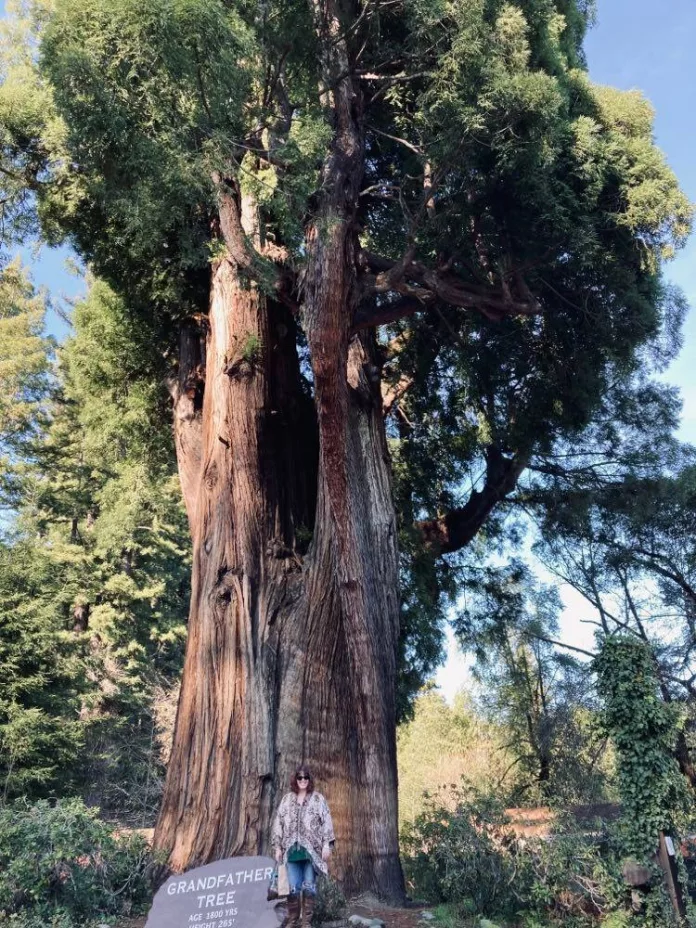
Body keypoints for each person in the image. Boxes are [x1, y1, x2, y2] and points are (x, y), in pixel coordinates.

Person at [271, 766, 335, 928]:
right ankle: (293, 921)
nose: (303, 781)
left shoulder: (318, 799)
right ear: (295, 780)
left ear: (310, 780)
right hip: (291, 852)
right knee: (292, 888)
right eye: (300, 778)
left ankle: (306, 923)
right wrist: (277, 846)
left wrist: (327, 844)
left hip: (311, 852)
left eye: (306, 778)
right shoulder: (286, 799)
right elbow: (279, 822)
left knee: (309, 887)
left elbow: (326, 820)